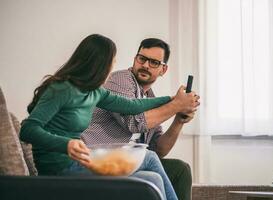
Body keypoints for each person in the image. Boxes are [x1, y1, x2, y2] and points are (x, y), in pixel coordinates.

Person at [20, 34, 198, 200]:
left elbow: (132, 105)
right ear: (99, 64)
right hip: (59, 168)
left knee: (151, 178)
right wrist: (66, 144)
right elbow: (28, 130)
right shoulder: (61, 89)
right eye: (112, 62)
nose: (113, 68)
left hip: (82, 163)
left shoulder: (95, 92)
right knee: (149, 157)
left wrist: (172, 99)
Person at [81, 38, 199, 200]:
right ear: (135, 59)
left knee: (180, 169)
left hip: (127, 162)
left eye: (154, 63)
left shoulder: (150, 97)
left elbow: (159, 149)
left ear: (163, 70)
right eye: (142, 59)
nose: (145, 65)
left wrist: (178, 120)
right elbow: (134, 122)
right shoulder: (120, 80)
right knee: (150, 161)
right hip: (100, 158)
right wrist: (177, 105)